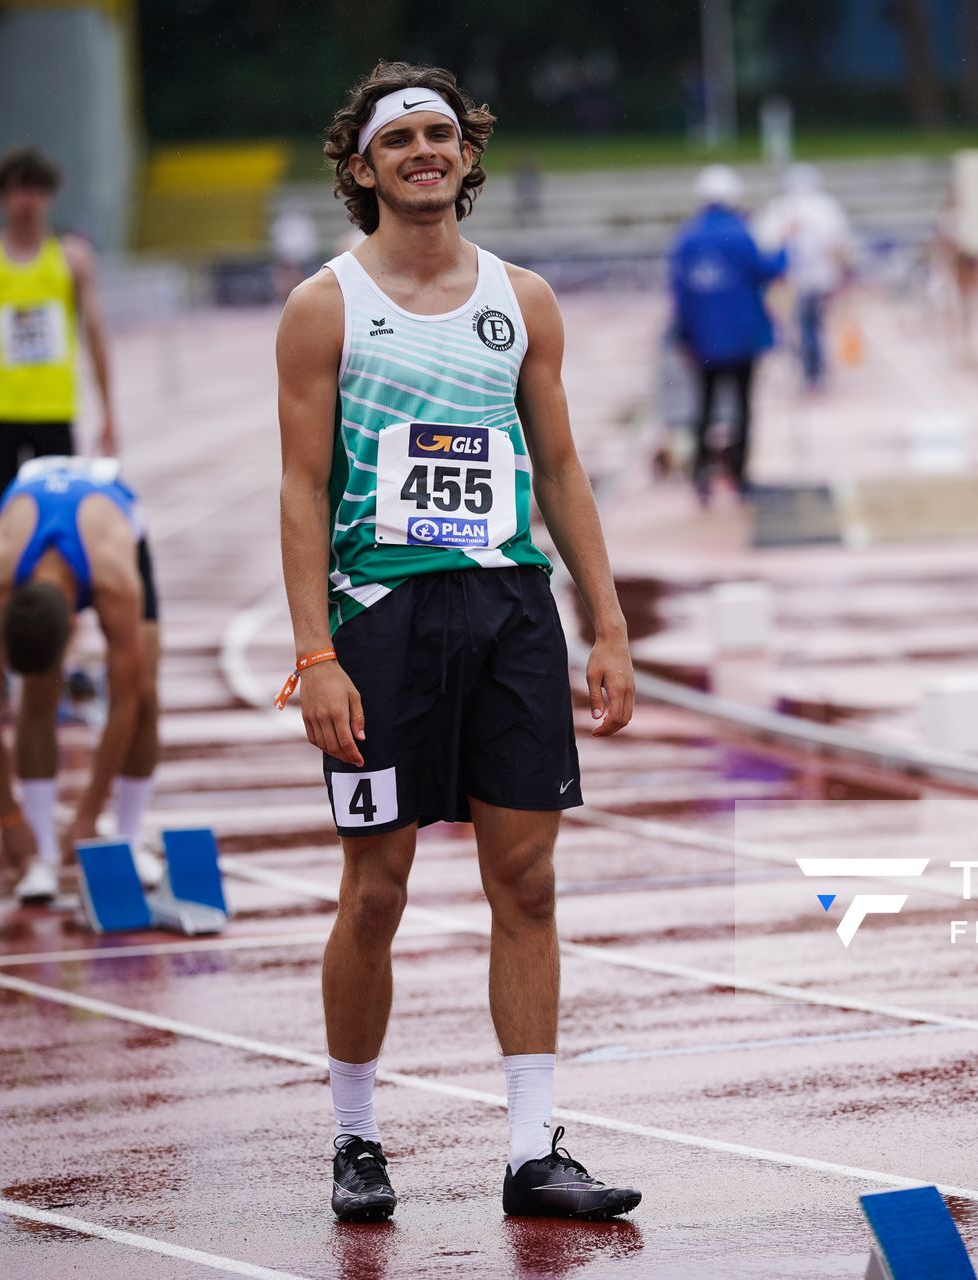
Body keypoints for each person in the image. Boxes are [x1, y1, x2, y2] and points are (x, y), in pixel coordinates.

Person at [274, 62, 640, 1225]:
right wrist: (315, 651)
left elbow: (565, 467)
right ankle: (355, 1134)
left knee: (526, 879)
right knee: (376, 885)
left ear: (468, 157)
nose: (425, 152)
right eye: (402, 139)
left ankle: (535, 1148)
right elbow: (299, 483)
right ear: (362, 166)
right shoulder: (325, 305)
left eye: (443, 135)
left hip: (510, 609)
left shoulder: (523, 299)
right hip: (379, 622)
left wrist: (607, 621)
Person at [0, 456, 162, 906]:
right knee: (37, 691)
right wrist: (7, 817)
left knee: (145, 688)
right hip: (30, 505)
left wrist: (90, 813)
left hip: (108, 511)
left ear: (73, 624)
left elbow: (124, 700)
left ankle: (126, 840)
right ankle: (43, 858)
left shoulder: (115, 580)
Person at [0, 147, 118, 519]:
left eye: (36, 190)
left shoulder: (73, 259)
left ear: (49, 196)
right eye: (18, 190)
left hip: (53, 411)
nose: (27, 200)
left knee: (56, 520)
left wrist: (108, 413)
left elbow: (96, 339)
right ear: (1, 198)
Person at [669, 164, 784, 501]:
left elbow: (679, 293)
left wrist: (684, 336)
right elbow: (767, 270)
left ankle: (701, 474)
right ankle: (739, 475)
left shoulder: (687, 237)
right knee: (743, 407)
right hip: (742, 338)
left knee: (703, 406)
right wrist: (784, 249)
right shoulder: (740, 232)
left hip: (702, 339)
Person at [758, 164, 853, 391]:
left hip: (813, 278)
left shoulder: (819, 208)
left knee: (808, 324)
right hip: (797, 280)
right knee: (806, 325)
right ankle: (811, 366)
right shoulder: (784, 209)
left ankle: (812, 366)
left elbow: (837, 245)